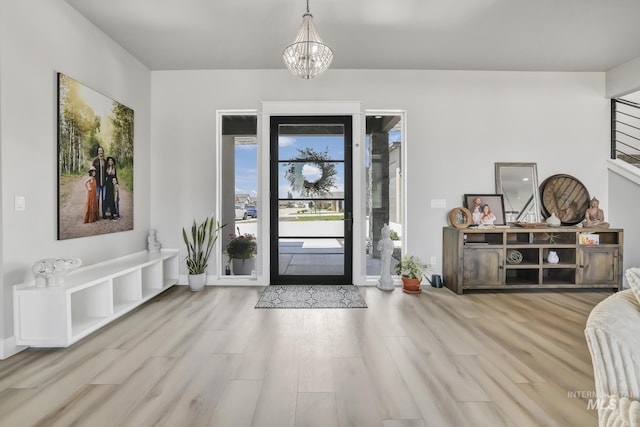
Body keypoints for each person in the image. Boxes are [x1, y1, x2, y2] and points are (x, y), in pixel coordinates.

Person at [376, 224, 395, 291]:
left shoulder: (382, 241)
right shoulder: (391, 242)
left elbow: (378, 248)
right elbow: (392, 250)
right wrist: (389, 252)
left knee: (384, 266)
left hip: (384, 255)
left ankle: (384, 278)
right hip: (388, 255)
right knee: (387, 266)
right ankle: (387, 278)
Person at [92, 147, 107, 219]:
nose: (100, 152)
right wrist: (92, 179)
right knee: (97, 197)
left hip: (104, 183)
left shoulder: (105, 161)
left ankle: (104, 214)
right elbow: (92, 171)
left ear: (103, 152)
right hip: (97, 183)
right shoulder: (95, 161)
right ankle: (97, 215)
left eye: (101, 150)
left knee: (104, 198)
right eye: (99, 151)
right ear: (98, 152)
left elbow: (107, 171)